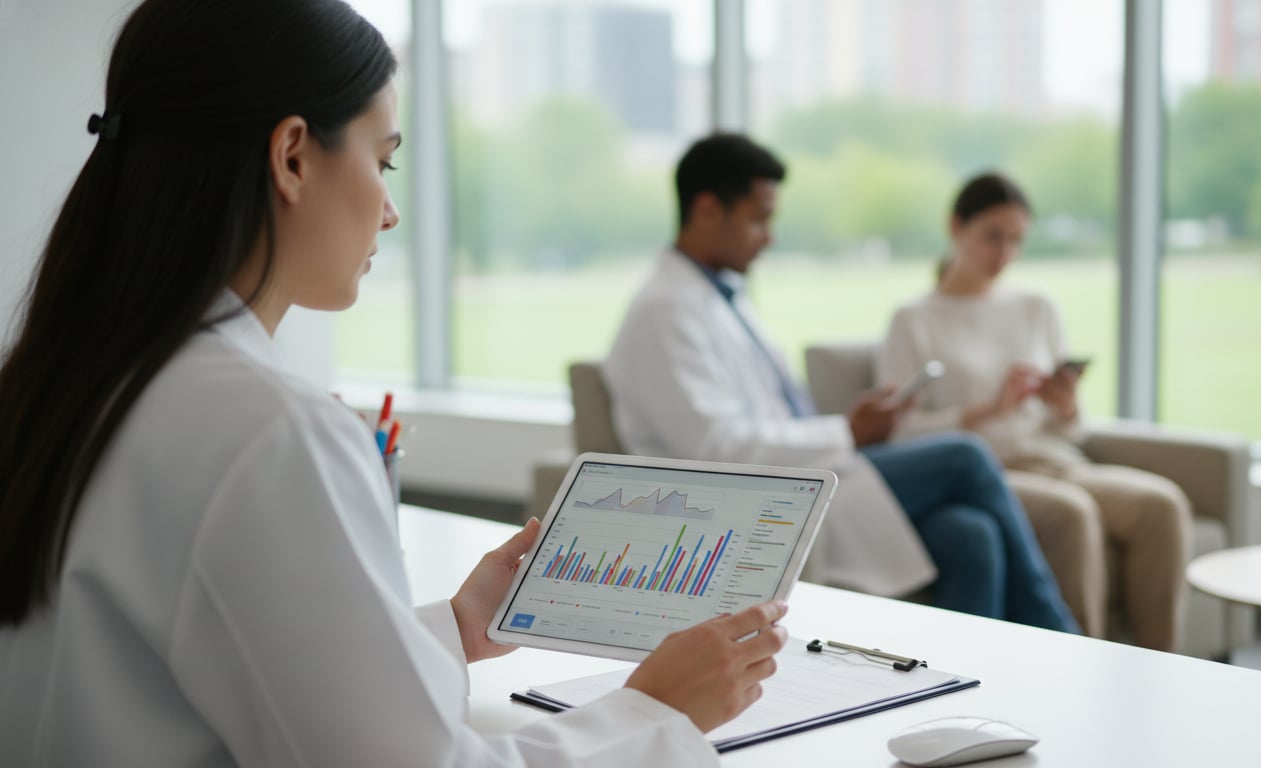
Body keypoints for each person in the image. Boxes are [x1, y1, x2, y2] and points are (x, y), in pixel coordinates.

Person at [0, 2, 788, 765]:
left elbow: (176, 673)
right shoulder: (268, 430)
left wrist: (453, 628)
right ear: (294, 157)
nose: (391, 211)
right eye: (383, 162)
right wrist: (657, 710)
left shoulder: (64, 383)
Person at [603, 133, 1078, 634]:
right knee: (966, 456)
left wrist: (848, 429)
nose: (770, 236)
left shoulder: (722, 298)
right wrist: (845, 433)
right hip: (748, 497)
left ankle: (966, 695)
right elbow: (714, 446)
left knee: (971, 534)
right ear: (705, 209)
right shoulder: (663, 312)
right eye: (759, 219)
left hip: (805, 470)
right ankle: (1066, 641)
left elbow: (774, 417)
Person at [876, 171, 1192, 651]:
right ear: (955, 226)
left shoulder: (1037, 305)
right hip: (991, 473)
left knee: (1161, 504)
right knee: (1073, 514)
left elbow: (1072, 429)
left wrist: (1065, 406)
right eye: (993, 237)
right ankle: (1085, 662)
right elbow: (899, 435)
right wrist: (986, 410)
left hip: (1054, 457)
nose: (1005, 253)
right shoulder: (914, 319)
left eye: (1017, 240)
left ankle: (1162, 663)